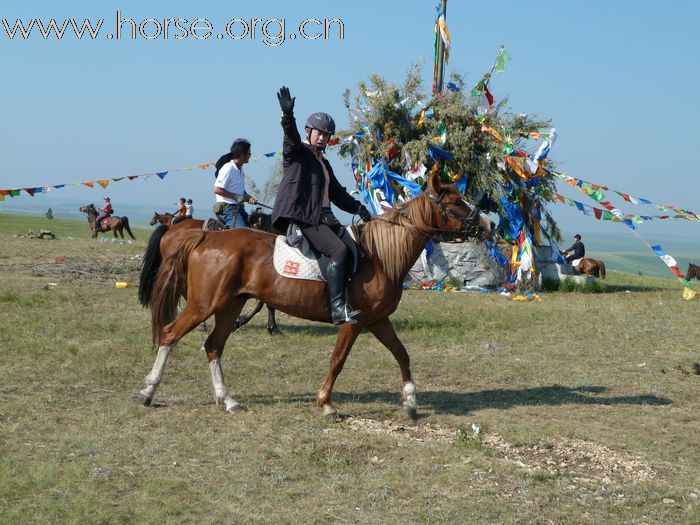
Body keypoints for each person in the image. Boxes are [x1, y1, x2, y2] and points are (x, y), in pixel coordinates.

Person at [272, 86, 372, 325]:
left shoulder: (323, 164)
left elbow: (336, 193)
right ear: (308, 132)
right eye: (319, 133)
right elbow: (291, 139)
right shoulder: (297, 154)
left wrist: (358, 208)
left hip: (325, 218)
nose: (322, 138)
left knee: (357, 253)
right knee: (339, 251)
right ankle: (338, 309)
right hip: (305, 219)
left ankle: (351, 299)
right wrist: (288, 117)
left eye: (326, 135)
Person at [213, 139, 257, 228]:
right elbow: (217, 189)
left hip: (239, 208)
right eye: (249, 153)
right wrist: (236, 197)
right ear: (242, 154)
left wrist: (247, 196)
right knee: (244, 234)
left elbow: (238, 190)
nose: (250, 155)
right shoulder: (228, 168)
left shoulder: (240, 169)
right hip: (227, 209)